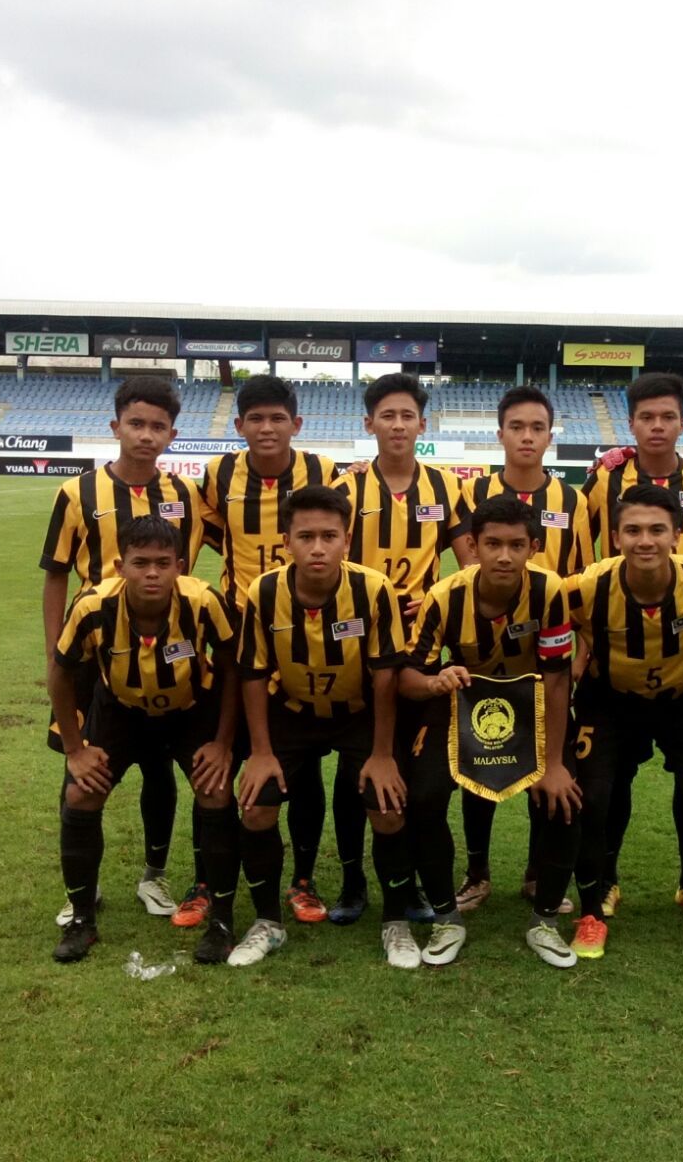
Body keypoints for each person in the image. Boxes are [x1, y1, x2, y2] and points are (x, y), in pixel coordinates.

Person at [39, 375, 219, 930]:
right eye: (136, 424)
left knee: (159, 765)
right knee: (82, 769)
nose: (145, 435)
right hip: (93, 651)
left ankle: (153, 875)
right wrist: (55, 652)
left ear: (171, 435)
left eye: (157, 426)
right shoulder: (78, 494)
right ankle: (81, 889)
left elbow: (241, 535)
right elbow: (56, 574)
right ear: (115, 426)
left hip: (168, 650)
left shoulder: (186, 496)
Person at [230, 485, 416, 968]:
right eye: (306, 536)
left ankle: (395, 922)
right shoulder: (264, 591)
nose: (318, 548)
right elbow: (252, 673)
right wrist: (260, 752)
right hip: (291, 712)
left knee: (388, 808)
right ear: (286, 541)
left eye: (329, 536)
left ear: (346, 540)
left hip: (358, 714)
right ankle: (268, 922)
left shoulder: (373, 589)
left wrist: (382, 754)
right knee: (256, 808)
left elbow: (386, 677)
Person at [565, 484, 683, 963]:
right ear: (615, 536)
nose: (644, 541)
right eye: (633, 530)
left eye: (656, 530)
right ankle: (592, 908)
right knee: (595, 798)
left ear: (676, 535)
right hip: (609, 703)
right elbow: (532, 600)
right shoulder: (589, 586)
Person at [579, 371, 683, 919]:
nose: (656, 426)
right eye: (646, 417)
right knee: (607, 784)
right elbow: (575, 549)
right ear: (630, 424)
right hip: (616, 648)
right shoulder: (605, 478)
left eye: (667, 416)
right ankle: (602, 884)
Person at [48, 517, 241, 965]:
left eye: (162, 563)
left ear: (179, 566)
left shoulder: (203, 601)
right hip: (120, 711)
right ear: (121, 566)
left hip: (190, 710)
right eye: (140, 563)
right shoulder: (92, 605)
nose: (151, 573)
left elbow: (233, 666)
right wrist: (75, 749)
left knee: (215, 791)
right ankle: (82, 920)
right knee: (80, 794)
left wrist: (223, 743)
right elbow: (60, 672)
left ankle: (222, 922)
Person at [400, 495, 581, 968]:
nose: (504, 556)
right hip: (462, 700)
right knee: (424, 797)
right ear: (473, 546)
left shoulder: (549, 589)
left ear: (533, 548)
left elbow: (557, 678)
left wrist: (553, 763)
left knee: (565, 794)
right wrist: (435, 681)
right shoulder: (445, 596)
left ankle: (544, 919)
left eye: (516, 545)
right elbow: (407, 677)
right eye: (493, 544)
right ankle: (446, 917)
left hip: (531, 703)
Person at [198, 376, 342, 928]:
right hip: (238, 635)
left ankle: (302, 878)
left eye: (277, 418)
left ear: (296, 424)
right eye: (255, 418)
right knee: (222, 760)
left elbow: (335, 530)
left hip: (304, 636)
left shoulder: (323, 471)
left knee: (299, 767)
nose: (266, 428)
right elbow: (211, 533)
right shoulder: (218, 474)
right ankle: (208, 878)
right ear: (238, 426)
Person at [446, 385, 591, 913]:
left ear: (550, 436)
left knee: (545, 765)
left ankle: (535, 873)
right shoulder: (472, 492)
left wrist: (581, 649)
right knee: (478, 766)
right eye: (517, 427)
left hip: (547, 656)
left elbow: (581, 578)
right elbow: (470, 573)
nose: (527, 437)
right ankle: (477, 873)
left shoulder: (573, 500)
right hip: (482, 659)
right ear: (500, 433)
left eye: (537, 428)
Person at [328, 373, 461, 924]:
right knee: (353, 771)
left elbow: (469, 564)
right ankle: (352, 882)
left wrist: (436, 595)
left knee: (414, 772)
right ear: (370, 424)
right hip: (360, 651)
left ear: (422, 425)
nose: (398, 425)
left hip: (421, 651)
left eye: (408, 416)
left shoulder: (446, 487)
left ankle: (410, 882)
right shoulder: (347, 489)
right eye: (388, 415)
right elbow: (325, 564)